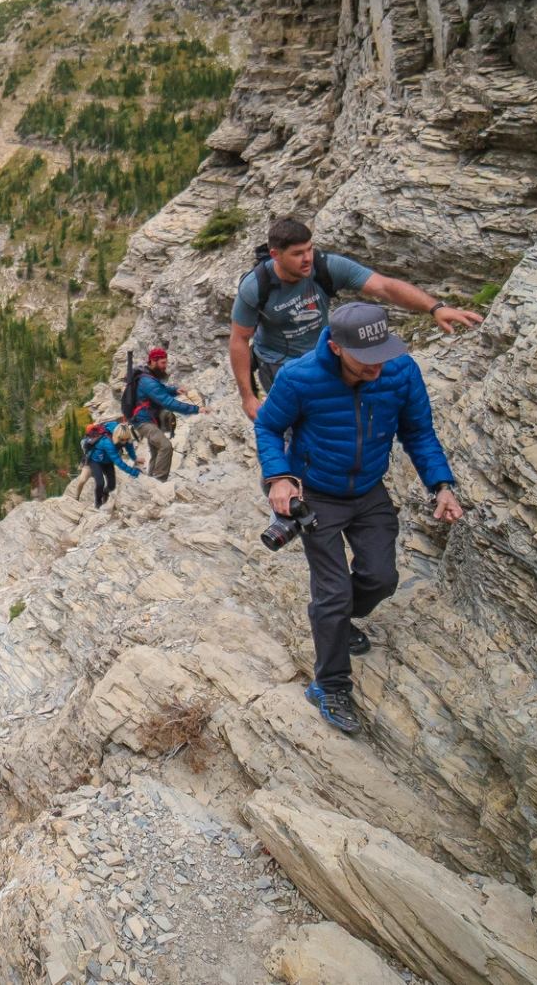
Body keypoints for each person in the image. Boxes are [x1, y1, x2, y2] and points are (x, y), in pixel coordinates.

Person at [253, 302, 464, 737]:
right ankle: (329, 686)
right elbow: (269, 428)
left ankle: (341, 621)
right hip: (316, 496)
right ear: (335, 346)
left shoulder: (401, 372)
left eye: (382, 354)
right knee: (330, 594)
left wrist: (441, 486)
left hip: (368, 490)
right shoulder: (299, 377)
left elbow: (419, 432)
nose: (377, 367)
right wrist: (278, 478)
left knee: (382, 577)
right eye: (366, 359)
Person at [231, 217, 484, 421]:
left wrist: (435, 308)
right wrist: (248, 397)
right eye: (298, 253)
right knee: (294, 425)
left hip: (323, 353)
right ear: (276, 255)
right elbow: (240, 340)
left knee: (340, 415)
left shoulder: (325, 267)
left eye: (310, 249)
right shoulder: (256, 286)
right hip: (278, 364)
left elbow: (384, 287)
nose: (307, 258)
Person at [125, 347, 199, 480]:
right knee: (165, 446)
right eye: (163, 363)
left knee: (156, 451)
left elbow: (161, 389)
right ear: (153, 361)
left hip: (145, 419)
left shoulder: (148, 375)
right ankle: (158, 481)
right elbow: (167, 402)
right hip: (144, 422)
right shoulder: (147, 380)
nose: (165, 366)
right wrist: (196, 409)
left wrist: (175, 390)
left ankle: (150, 480)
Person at [82, 420, 141, 508]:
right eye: (122, 440)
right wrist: (134, 472)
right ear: (117, 437)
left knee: (112, 485)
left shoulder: (125, 437)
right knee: (100, 483)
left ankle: (105, 494)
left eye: (126, 439)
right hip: (95, 460)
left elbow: (130, 449)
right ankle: (98, 503)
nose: (124, 442)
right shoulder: (107, 443)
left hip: (107, 461)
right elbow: (119, 462)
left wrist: (135, 458)